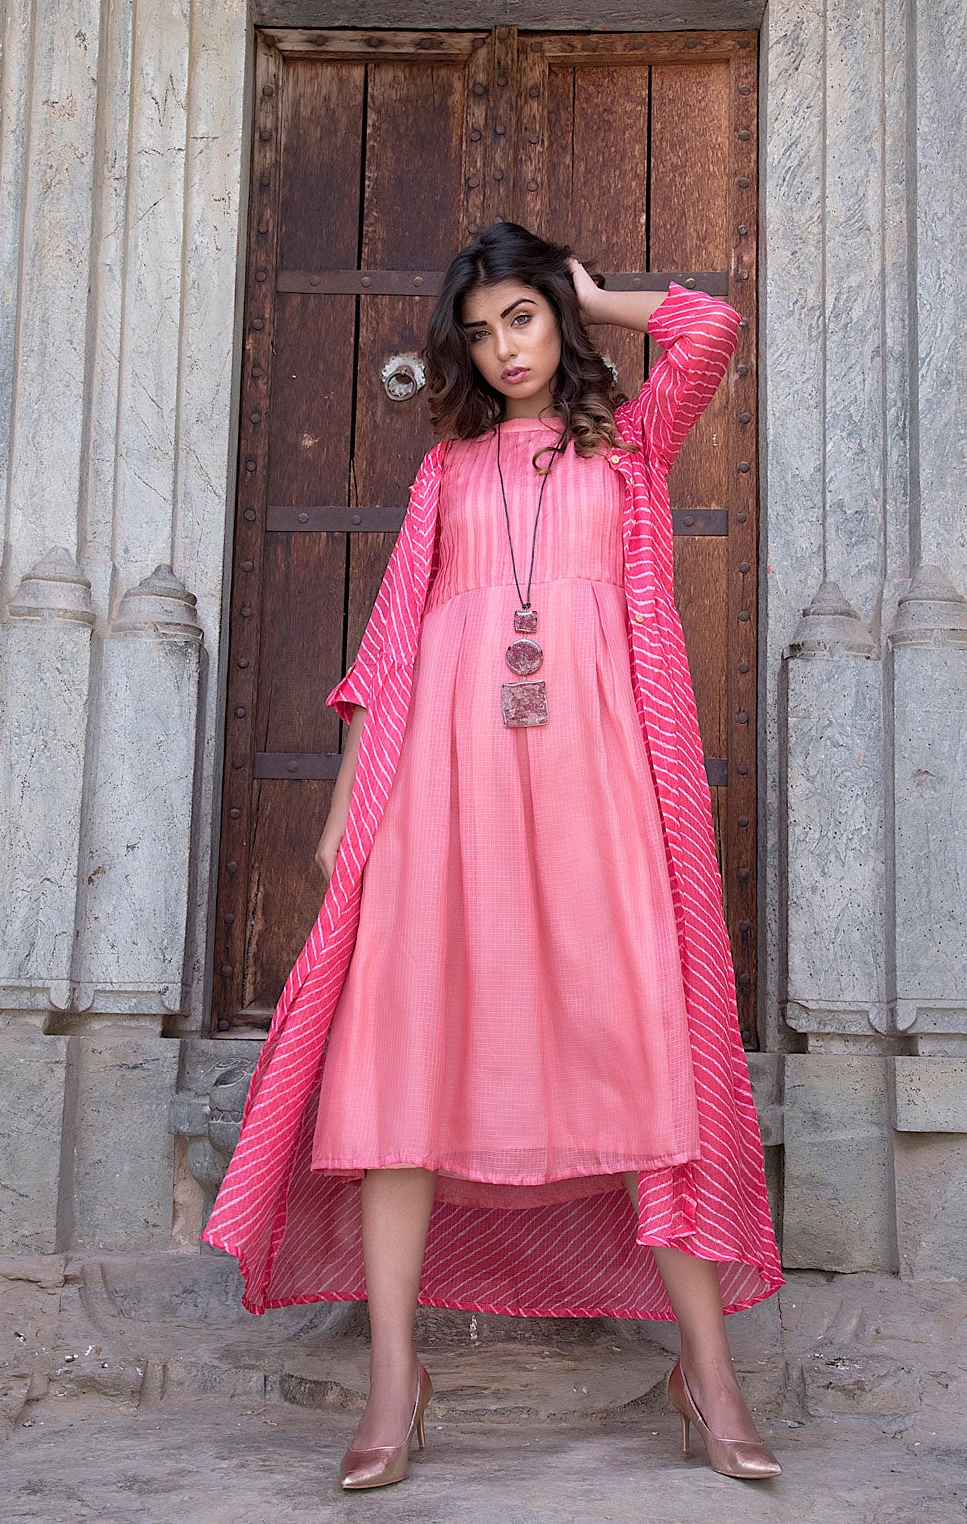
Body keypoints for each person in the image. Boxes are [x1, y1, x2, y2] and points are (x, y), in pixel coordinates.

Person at [202, 223, 784, 1490]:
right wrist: (349, 805)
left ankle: (710, 1370)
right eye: (481, 330)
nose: (503, 348)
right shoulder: (444, 474)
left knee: (643, 1055)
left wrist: (595, 297)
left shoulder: (628, 445)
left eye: (522, 317)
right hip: (443, 798)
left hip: (598, 794)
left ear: (557, 320)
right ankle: (397, 1380)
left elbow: (710, 332)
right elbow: (389, 649)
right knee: (401, 1062)